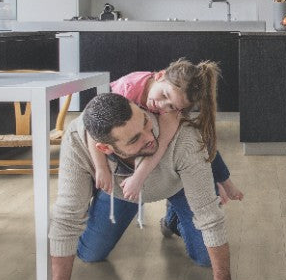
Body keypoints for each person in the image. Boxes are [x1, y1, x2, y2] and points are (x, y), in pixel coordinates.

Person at [8, 91, 264, 280]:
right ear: (104, 148)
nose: (149, 137)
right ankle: (119, 206)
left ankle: (173, 216)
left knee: (204, 258)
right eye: (134, 140)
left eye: (144, 123)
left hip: (178, 184)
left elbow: (209, 216)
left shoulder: (183, 137)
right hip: (121, 192)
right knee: (90, 254)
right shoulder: (77, 141)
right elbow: (66, 217)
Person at [90, 59, 243, 220]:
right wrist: (101, 168)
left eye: (171, 106)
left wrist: (138, 179)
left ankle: (223, 181)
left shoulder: (172, 111)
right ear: (160, 76)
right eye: (164, 95)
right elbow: (97, 129)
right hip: (131, 135)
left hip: (165, 139)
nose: (161, 105)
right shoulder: (127, 89)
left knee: (200, 143)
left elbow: (162, 144)